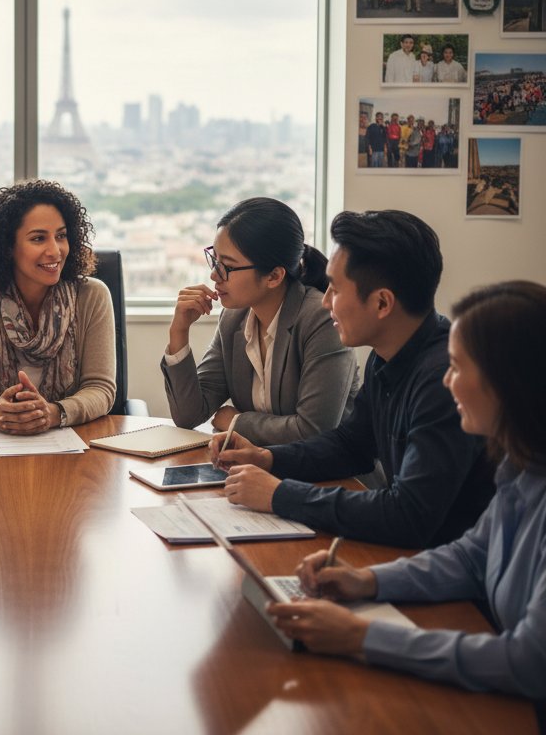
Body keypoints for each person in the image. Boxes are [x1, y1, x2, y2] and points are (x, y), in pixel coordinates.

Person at [267, 281, 546, 735]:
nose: (445, 380)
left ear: (509, 382)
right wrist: (365, 581)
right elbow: (470, 558)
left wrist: (364, 636)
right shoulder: (523, 465)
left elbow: (526, 662)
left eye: (458, 368)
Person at [210, 210, 496, 548]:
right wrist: (268, 458)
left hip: (456, 578)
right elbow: (352, 446)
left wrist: (280, 495)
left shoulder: (444, 380)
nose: (326, 301)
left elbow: (409, 514)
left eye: (335, 288)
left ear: (382, 303)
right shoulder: (388, 354)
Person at [161, 198, 358, 445]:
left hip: (332, 478)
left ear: (274, 276)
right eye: (215, 260)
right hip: (257, 468)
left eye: (227, 267)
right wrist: (179, 332)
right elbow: (189, 414)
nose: (214, 275)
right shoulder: (234, 318)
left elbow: (312, 431)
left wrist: (235, 422)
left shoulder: (321, 319)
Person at [0, 180, 116, 432]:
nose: (55, 250)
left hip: (70, 446)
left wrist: (52, 413)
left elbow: (101, 389)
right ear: (8, 247)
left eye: (61, 236)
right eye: (38, 238)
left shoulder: (92, 296)